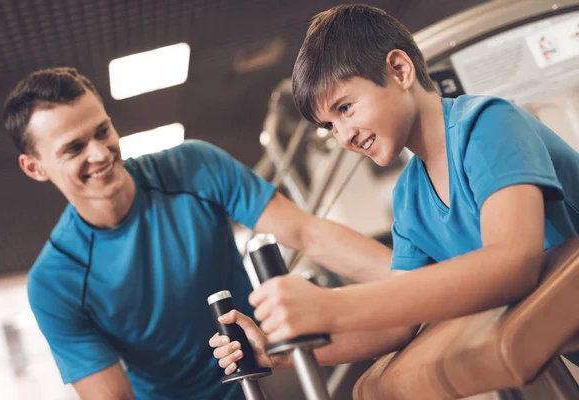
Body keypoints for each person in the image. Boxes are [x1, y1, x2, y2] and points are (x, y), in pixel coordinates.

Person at [210, 4, 579, 374]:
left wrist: (331, 306)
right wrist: (277, 352)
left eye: (346, 107)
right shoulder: (409, 197)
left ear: (400, 70)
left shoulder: (487, 124)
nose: (344, 136)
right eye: (330, 126)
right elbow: (397, 325)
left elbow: (514, 264)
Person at [3, 67, 395, 399]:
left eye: (102, 131)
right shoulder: (55, 282)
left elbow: (308, 234)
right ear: (35, 167)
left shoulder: (192, 166)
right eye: (74, 148)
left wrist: (413, 284)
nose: (101, 153)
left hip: (269, 369)